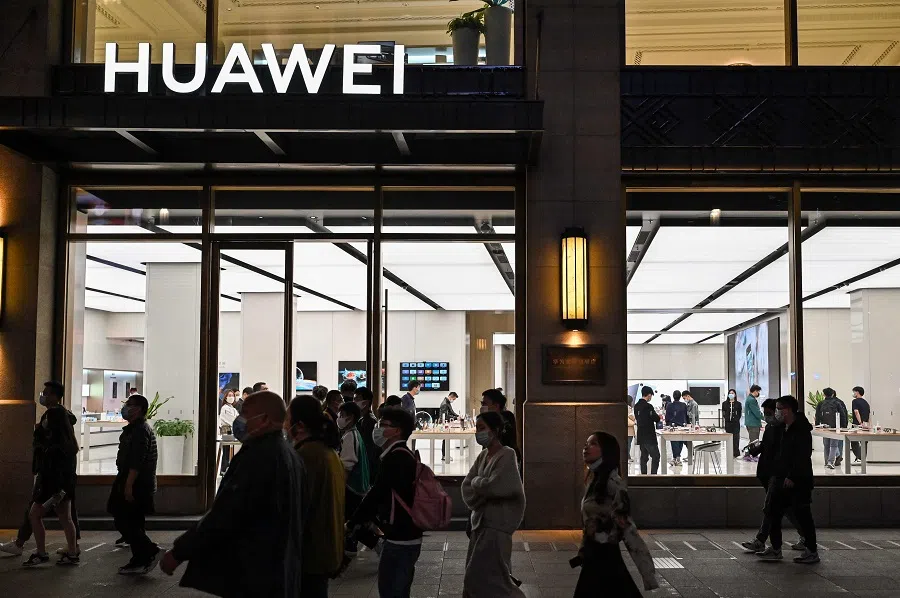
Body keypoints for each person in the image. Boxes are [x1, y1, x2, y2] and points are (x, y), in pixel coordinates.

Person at [160, 391, 305, 596]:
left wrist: (179, 552)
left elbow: (227, 511)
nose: (241, 419)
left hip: (252, 568)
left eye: (246, 413)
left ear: (264, 419)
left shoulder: (258, 457)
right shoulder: (288, 454)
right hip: (275, 566)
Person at [348, 407, 423, 598]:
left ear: (397, 431)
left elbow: (378, 493)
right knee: (397, 587)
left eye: (383, 425)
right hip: (404, 532)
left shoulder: (396, 458)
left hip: (401, 535)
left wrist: (354, 521)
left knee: (392, 589)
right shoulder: (399, 454)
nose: (378, 428)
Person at [1, 382, 82, 559]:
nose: (42, 395)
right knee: (65, 516)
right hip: (63, 482)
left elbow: (49, 455)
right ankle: (72, 550)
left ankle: (40, 552)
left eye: (46, 393)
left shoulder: (54, 425)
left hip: (51, 481)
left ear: (54, 396)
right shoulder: (65, 429)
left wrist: (39, 435)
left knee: (34, 514)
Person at [574, 432, 657, 597]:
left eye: (593, 444)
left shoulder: (613, 484)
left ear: (606, 451)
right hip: (594, 555)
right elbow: (591, 522)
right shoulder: (595, 481)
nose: (586, 447)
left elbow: (627, 527)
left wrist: (647, 572)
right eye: (586, 443)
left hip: (605, 556)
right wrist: (583, 549)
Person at [460, 411, 526, 598]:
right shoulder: (483, 457)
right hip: (479, 524)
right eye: (476, 428)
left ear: (495, 430)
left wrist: (478, 484)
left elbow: (497, 486)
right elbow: (467, 485)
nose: (478, 433)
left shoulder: (507, 455)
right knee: (479, 577)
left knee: (487, 578)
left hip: (497, 525)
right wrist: (481, 487)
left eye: (482, 428)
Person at [286, 395, 345, 595]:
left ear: (299, 425)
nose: (285, 425)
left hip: (311, 554)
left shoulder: (308, 455)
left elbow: (296, 508)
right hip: (324, 550)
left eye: (288, 419)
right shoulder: (327, 452)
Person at [757, 395, 819, 564]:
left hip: (797, 480)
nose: (776, 412)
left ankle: (811, 550)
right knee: (772, 512)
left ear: (788, 410)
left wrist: (792, 476)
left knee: (803, 515)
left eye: (779, 408)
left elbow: (802, 456)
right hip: (779, 477)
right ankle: (776, 548)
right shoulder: (783, 428)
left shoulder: (800, 429)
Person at [741, 399, 804, 554]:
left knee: (772, 509)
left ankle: (765, 542)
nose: (767, 415)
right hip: (770, 472)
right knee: (784, 508)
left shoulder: (783, 429)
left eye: (770, 412)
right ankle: (804, 536)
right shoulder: (773, 427)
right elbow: (766, 445)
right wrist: (754, 450)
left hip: (776, 474)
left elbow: (786, 453)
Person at [108, 393, 159, 574]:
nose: (126, 408)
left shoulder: (139, 430)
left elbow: (137, 461)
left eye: (129, 405)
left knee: (122, 518)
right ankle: (140, 558)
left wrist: (128, 486)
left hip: (136, 483)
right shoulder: (135, 429)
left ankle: (149, 551)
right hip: (134, 481)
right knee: (133, 522)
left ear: (138, 409)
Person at [337, 401, 371, 561]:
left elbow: (347, 465)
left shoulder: (350, 436)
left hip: (352, 487)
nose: (339, 418)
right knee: (356, 520)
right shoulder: (353, 434)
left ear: (350, 418)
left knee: (352, 521)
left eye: (342, 415)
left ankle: (356, 546)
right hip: (358, 485)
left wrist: (339, 486)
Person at [481, 388, 521, 465]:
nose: (482, 406)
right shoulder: (487, 419)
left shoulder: (507, 417)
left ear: (496, 406)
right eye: (482, 403)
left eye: (484, 404)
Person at [816, 387, 848, 469]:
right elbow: (843, 414)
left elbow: (817, 415)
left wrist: (817, 425)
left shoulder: (821, 403)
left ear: (824, 394)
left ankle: (827, 462)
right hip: (835, 427)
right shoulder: (837, 403)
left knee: (826, 445)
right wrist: (844, 426)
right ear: (833, 394)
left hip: (825, 427)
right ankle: (831, 462)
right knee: (834, 445)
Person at [354, 386, 380, 483]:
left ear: (366, 402)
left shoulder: (369, 421)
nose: (355, 401)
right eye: (354, 399)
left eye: (358, 399)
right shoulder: (361, 419)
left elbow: (368, 447)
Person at [634, 386, 661, 475]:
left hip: (641, 435)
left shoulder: (636, 406)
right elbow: (655, 418)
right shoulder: (648, 406)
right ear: (649, 395)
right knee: (656, 456)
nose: (651, 398)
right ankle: (653, 476)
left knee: (644, 457)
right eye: (651, 396)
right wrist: (658, 417)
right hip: (649, 435)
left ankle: (643, 475)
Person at [665, 391, 688, 467]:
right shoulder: (683, 405)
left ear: (673, 396)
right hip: (682, 426)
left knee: (674, 442)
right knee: (680, 442)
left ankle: (676, 458)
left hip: (673, 426)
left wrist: (667, 423)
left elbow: (667, 416)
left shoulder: (669, 405)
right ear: (680, 396)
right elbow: (686, 415)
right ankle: (677, 458)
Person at [219, 388, 239, 475]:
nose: (232, 397)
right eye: (229, 396)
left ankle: (227, 468)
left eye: (233, 396)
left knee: (230, 451)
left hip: (232, 430)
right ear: (225, 397)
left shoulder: (233, 409)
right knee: (226, 451)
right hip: (226, 430)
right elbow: (232, 420)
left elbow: (237, 418)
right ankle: (224, 469)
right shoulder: (224, 408)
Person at [850, 386, 871, 463]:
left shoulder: (855, 401)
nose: (853, 393)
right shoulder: (866, 403)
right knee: (864, 442)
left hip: (857, 424)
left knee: (853, 441)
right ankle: (862, 458)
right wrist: (867, 424)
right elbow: (868, 415)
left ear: (857, 392)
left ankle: (859, 458)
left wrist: (860, 423)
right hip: (865, 425)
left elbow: (856, 412)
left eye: (854, 392)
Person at [439, 391, 460, 462]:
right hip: (445, 423)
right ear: (451, 396)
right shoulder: (445, 404)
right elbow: (446, 416)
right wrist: (456, 418)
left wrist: (458, 416)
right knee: (445, 439)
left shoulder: (447, 402)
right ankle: (445, 455)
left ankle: (445, 455)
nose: (453, 400)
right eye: (453, 399)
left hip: (447, 423)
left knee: (446, 439)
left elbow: (451, 412)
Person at [723, 389, 742, 458]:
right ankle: (729, 452)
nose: (731, 394)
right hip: (728, 424)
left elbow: (739, 413)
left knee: (736, 438)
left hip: (736, 424)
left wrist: (736, 419)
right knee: (729, 438)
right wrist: (727, 419)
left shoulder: (738, 404)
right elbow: (724, 413)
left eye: (733, 393)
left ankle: (736, 453)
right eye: (730, 393)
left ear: (735, 394)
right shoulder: (724, 403)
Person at [626, 395, 636, 463]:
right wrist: (634, 422)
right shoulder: (628, 408)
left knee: (627, 444)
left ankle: (628, 456)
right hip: (629, 430)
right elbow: (631, 418)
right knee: (628, 444)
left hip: (628, 430)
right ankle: (627, 457)